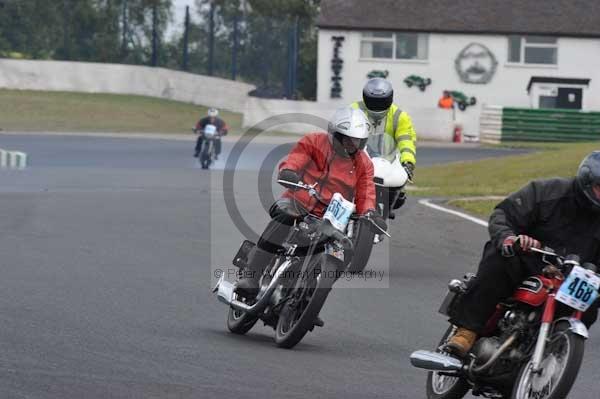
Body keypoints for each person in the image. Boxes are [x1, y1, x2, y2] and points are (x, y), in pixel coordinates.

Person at [447, 151, 600, 356]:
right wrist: (509, 238)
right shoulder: (546, 191)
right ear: (587, 181)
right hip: (529, 260)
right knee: (499, 258)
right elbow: (504, 214)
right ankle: (467, 330)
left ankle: (556, 352)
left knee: (589, 306)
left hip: (571, 278)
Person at [235, 107, 387, 301]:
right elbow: (296, 159)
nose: (351, 144)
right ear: (334, 134)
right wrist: (289, 172)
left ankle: (311, 296)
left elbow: (366, 192)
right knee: (285, 217)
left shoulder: (364, 163)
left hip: (332, 218)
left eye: (357, 140)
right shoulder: (314, 141)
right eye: (346, 138)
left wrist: (371, 213)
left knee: (346, 249)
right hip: (297, 201)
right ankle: (251, 275)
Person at [351, 78, 417, 211]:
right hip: (356, 160)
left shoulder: (400, 116)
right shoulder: (354, 109)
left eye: (381, 101)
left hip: (388, 163)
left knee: (398, 194)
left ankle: (384, 213)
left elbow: (406, 141)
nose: (377, 105)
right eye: (373, 101)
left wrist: (408, 162)